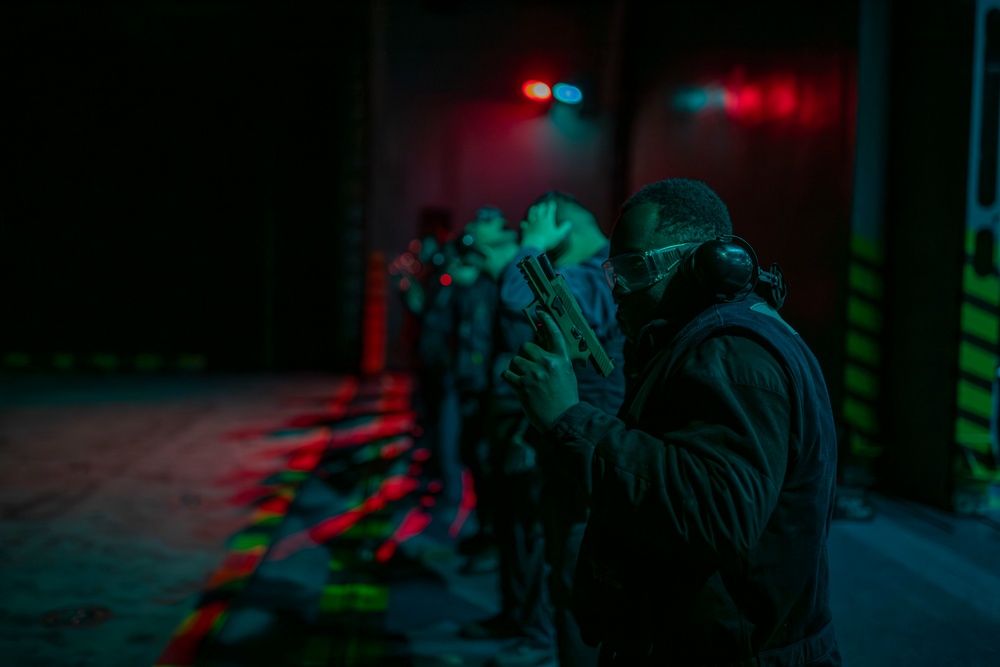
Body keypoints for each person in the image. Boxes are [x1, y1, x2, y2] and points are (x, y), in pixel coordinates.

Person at [502, 178, 841, 665]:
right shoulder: (714, 338)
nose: (618, 289)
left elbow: (714, 509)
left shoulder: (731, 353)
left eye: (635, 268)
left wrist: (568, 416)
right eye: (614, 271)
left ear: (701, 264)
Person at [466, 191, 626, 667]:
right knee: (559, 562)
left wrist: (534, 243)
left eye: (542, 234)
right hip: (574, 439)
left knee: (573, 570)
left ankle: (547, 643)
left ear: (563, 231)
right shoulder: (594, 274)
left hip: (589, 444)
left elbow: (518, 295)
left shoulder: (599, 275)